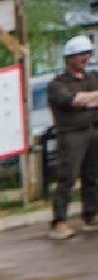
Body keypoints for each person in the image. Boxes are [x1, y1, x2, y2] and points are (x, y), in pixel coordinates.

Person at [49, 33, 98, 240]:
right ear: (69, 58)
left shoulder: (91, 78)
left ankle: (91, 214)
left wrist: (87, 99)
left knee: (92, 176)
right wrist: (89, 98)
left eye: (87, 53)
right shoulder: (58, 83)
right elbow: (72, 100)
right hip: (71, 135)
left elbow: (84, 99)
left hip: (92, 130)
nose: (85, 58)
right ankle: (59, 221)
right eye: (80, 54)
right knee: (67, 177)